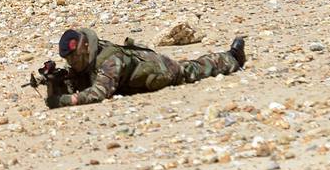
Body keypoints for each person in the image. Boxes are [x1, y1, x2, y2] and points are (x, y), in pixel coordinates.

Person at [37, 27, 245, 109]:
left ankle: (232, 58)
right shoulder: (88, 58)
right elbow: (80, 77)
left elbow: (99, 93)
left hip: (157, 69)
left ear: (84, 47)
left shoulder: (110, 60)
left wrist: (64, 100)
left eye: (75, 58)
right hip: (134, 73)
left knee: (191, 70)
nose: (73, 63)